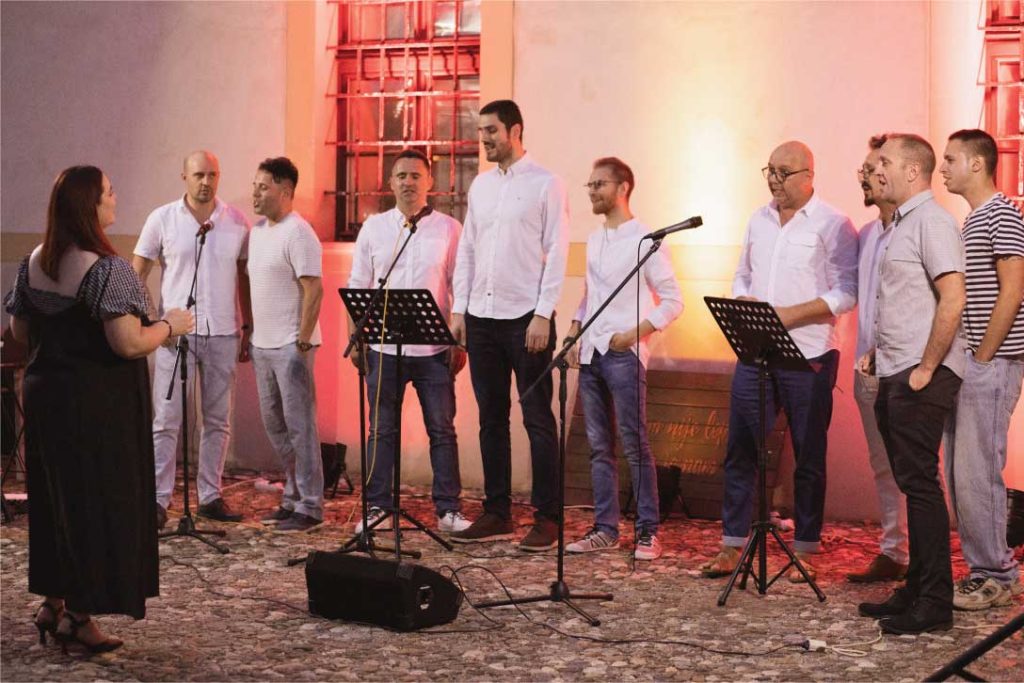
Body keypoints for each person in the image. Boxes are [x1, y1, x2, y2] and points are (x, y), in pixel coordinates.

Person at [4, 166, 194, 653]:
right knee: (93, 504)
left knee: (55, 501)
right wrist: (170, 326)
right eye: (109, 191)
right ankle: (79, 616)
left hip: (46, 399)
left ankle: (53, 601)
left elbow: (21, 332)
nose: (115, 197)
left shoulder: (34, 261)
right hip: (94, 406)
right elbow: (126, 342)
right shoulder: (107, 269)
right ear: (90, 205)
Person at [702, 141, 858, 582]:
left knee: (809, 454)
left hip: (810, 353)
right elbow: (742, 274)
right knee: (741, 448)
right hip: (757, 350)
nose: (773, 180)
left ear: (809, 175)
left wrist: (790, 315)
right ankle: (732, 543)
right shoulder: (758, 219)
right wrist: (745, 300)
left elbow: (846, 292)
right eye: (769, 170)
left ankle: (805, 548)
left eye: (783, 172)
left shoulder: (834, 223)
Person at [857, 133, 966, 635]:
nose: (875, 170)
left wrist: (926, 367)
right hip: (896, 369)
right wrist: (880, 354)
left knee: (921, 486)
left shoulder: (933, 221)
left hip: (921, 375)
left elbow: (953, 297)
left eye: (885, 162)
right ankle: (917, 588)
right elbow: (909, 304)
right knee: (911, 482)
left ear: (912, 171)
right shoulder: (900, 225)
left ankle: (935, 601)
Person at [449, 99, 570, 550]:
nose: (483, 139)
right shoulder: (480, 186)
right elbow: (468, 249)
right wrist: (459, 309)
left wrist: (543, 312)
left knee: (538, 418)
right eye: (481, 131)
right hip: (481, 317)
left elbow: (557, 251)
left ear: (515, 131)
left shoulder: (546, 184)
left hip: (526, 318)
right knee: (491, 419)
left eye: (491, 131)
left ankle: (548, 517)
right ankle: (497, 512)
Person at [564, 157, 682, 561]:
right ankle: (605, 528)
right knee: (599, 447)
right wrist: (575, 328)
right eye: (590, 184)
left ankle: (648, 531)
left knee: (635, 444)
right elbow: (590, 294)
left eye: (600, 184)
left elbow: (674, 301)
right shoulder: (594, 239)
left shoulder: (646, 240)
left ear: (623, 188)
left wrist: (633, 334)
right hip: (592, 352)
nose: (593, 191)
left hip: (624, 353)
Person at [347, 148, 470, 534]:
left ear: (430, 181)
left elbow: (460, 284)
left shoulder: (449, 228)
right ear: (390, 183)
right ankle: (378, 507)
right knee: (381, 430)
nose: (408, 182)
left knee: (442, 429)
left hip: (433, 349)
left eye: (416, 175)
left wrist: (459, 338)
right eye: (401, 176)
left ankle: (448, 509)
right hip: (383, 347)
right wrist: (358, 337)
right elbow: (359, 283)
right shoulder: (374, 228)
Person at [133, 150, 252, 529]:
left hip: (223, 332)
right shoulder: (162, 218)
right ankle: (157, 498)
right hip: (176, 335)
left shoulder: (236, 221)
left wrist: (247, 325)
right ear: (184, 177)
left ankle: (210, 495)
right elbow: (138, 270)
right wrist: (150, 320)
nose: (206, 182)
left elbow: (244, 276)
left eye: (212, 175)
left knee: (217, 420)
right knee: (167, 419)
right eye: (199, 175)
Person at [940, 128, 1024, 610]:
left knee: (977, 471)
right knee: (961, 471)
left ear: (977, 163)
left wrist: (984, 356)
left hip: (992, 362)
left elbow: (1013, 288)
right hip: (972, 362)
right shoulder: (975, 218)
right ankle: (984, 568)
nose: (943, 168)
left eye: (951, 159)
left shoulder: (1002, 214)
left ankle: (997, 573)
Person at [248, 156, 325, 533]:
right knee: (275, 426)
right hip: (262, 345)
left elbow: (314, 288)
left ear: (286, 190)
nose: (255, 194)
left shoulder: (299, 233)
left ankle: (310, 506)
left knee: (300, 428)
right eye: (255, 186)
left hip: (291, 346)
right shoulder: (258, 232)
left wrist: (303, 341)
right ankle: (292, 497)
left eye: (263, 187)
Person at [847, 135, 909, 583]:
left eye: (871, 170)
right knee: (882, 464)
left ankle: (923, 557)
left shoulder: (918, 228)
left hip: (906, 369)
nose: (864, 178)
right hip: (867, 370)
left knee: (915, 466)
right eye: (863, 171)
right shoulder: (867, 235)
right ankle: (894, 550)